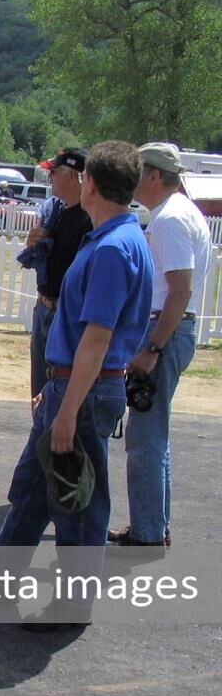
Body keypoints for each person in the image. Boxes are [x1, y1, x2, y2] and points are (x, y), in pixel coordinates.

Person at [0, 141, 153, 630]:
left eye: (82, 180)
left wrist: (66, 405)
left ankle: (72, 604)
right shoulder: (114, 238)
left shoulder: (111, 248)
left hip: (83, 390)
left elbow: (98, 338)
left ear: (93, 185)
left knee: (77, 501)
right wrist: (58, 389)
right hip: (73, 386)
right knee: (36, 488)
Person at [108, 142, 214, 549]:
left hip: (163, 333)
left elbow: (179, 292)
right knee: (154, 434)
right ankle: (154, 524)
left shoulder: (169, 219)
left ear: (153, 176)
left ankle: (148, 530)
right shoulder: (179, 213)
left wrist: (151, 348)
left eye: (137, 172)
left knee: (145, 437)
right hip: (169, 331)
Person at [17, 148, 93, 400]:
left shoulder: (89, 219)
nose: (50, 178)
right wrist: (32, 243)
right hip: (45, 307)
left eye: (54, 173)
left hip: (67, 313)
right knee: (39, 391)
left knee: (58, 390)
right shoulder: (55, 212)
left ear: (73, 176)